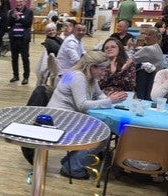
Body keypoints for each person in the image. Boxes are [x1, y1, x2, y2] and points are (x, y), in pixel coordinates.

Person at [48, 51, 126, 179]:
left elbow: (98, 94)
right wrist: (109, 101)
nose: (104, 72)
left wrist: (110, 100)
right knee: (102, 136)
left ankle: (70, 162)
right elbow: (82, 105)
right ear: (92, 67)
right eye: (102, 69)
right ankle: (72, 167)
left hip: (67, 117)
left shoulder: (88, 76)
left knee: (100, 129)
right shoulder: (78, 77)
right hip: (60, 120)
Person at [130, 27, 164, 100]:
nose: (146, 36)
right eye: (145, 34)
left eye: (149, 35)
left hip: (147, 82)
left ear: (156, 37)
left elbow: (131, 60)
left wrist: (130, 48)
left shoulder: (148, 49)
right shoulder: (157, 47)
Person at [7, 0, 33, 85]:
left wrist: (18, 18)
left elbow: (27, 24)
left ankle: (26, 77)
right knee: (14, 58)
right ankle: (16, 75)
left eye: (21, 2)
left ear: (24, 2)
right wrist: (13, 17)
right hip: (14, 39)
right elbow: (8, 23)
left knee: (25, 58)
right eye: (17, 2)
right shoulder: (11, 12)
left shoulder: (29, 12)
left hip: (23, 40)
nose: (19, 4)